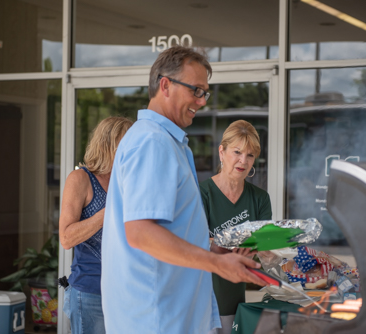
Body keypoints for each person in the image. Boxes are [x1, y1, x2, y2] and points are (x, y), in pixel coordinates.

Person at [101, 45, 269, 334]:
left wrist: (213, 250)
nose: (202, 101)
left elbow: (171, 227)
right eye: (196, 90)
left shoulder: (162, 140)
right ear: (165, 85)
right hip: (157, 317)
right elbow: (140, 232)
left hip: (164, 314)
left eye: (205, 93)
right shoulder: (153, 142)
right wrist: (217, 264)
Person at [59, 116, 133, 334]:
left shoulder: (130, 181)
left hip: (128, 291)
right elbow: (66, 238)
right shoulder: (80, 179)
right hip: (91, 291)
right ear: (107, 143)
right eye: (125, 143)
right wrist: (109, 210)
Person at [200, 120, 272, 334]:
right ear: (222, 152)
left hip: (237, 301)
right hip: (203, 302)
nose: (243, 160)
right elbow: (194, 242)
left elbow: (267, 250)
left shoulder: (260, 198)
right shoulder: (201, 193)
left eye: (250, 155)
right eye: (237, 152)